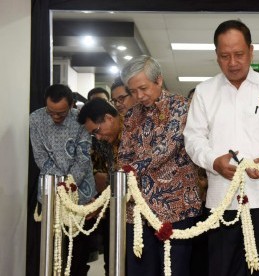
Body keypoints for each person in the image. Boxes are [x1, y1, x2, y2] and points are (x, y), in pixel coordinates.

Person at [183, 20, 259, 276]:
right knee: (224, 269)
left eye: (239, 54)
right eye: (224, 56)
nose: (232, 62)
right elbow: (194, 139)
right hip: (222, 203)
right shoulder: (204, 92)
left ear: (251, 51)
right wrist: (213, 161)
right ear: (216, 56)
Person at [119, 55, 202, 276]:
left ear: (159, 81)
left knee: (174, 270)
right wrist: (123, 169)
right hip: (137, 211)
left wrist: (130, 169)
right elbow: (124, 153)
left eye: (143, 88)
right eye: (133, 91)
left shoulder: (181, 107)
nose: (139, 96)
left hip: (175, 208)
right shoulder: (131, 115)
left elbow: (166, 148)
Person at [29, 83, 96, 275]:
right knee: (51, 249)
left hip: (81, 193)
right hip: (51, 194)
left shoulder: (82, 120)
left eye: (61, 112)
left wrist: (68, 186)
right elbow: (41, 158)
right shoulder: (35, 119)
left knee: (78, 255)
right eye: (51, 112)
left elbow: (83, 159)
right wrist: (60, 185)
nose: (56, 117)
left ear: (72, 105)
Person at [77, 98, 123, 276]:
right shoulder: (102, 141)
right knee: (111, 263)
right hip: (112, 210)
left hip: (141, 215)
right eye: (92, 134)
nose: (97, 137)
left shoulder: (135, 132)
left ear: (109, 118)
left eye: (97, 130)